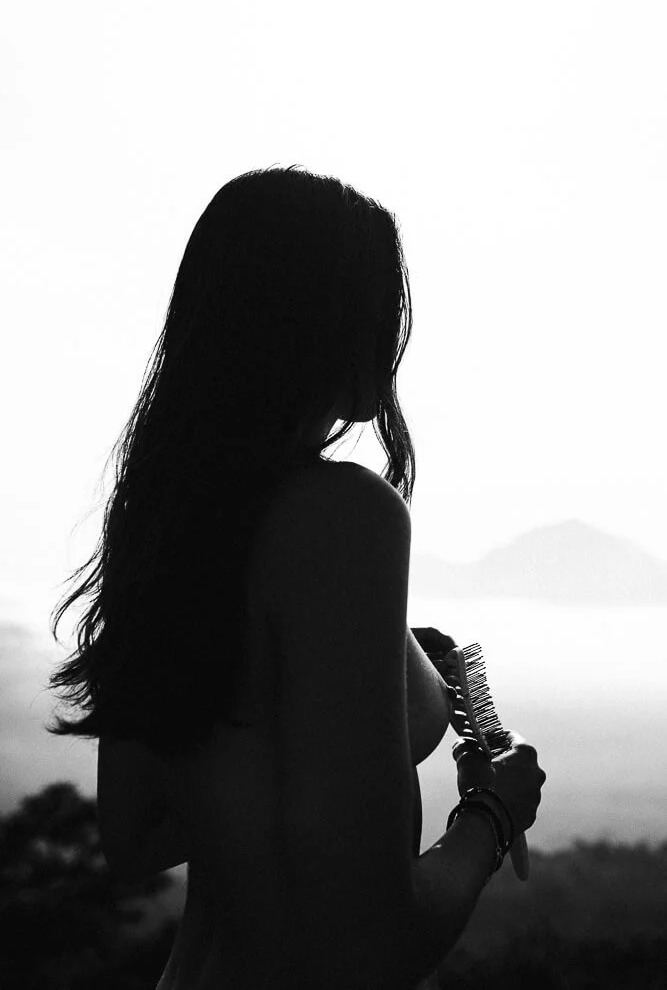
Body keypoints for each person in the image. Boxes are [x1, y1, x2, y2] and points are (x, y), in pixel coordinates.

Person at [46, 165, 546, 989]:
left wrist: (386, 670)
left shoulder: (171, 523)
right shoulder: (344, 515)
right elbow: (372, 948)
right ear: (328, 326)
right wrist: (491, 816)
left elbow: (136, 834)